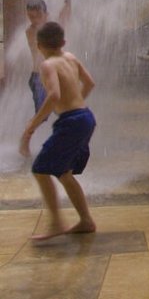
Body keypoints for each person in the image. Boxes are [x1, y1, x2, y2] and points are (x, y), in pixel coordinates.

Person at [18, 21, 97, 241]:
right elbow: (90, 83)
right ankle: (86, 221)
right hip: (86, 117)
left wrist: (32, 126)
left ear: (39, 46)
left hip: (72, 121)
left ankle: (56, 223)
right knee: (63, 173)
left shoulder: (48, 65)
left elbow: (53, 95)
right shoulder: (70, 58)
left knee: (40, 169)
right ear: (63, 42)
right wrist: (77, 102)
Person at [25, 0, 73, 114]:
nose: (34, 20)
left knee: (59, 110)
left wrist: (67, 1)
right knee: (43, 113)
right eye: (31, 17)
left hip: (52, 75)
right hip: (39, 77)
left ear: (46, 14)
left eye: (38, 16)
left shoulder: (48, 27)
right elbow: (61, 22)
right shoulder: (31, 32)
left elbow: (63, 19)